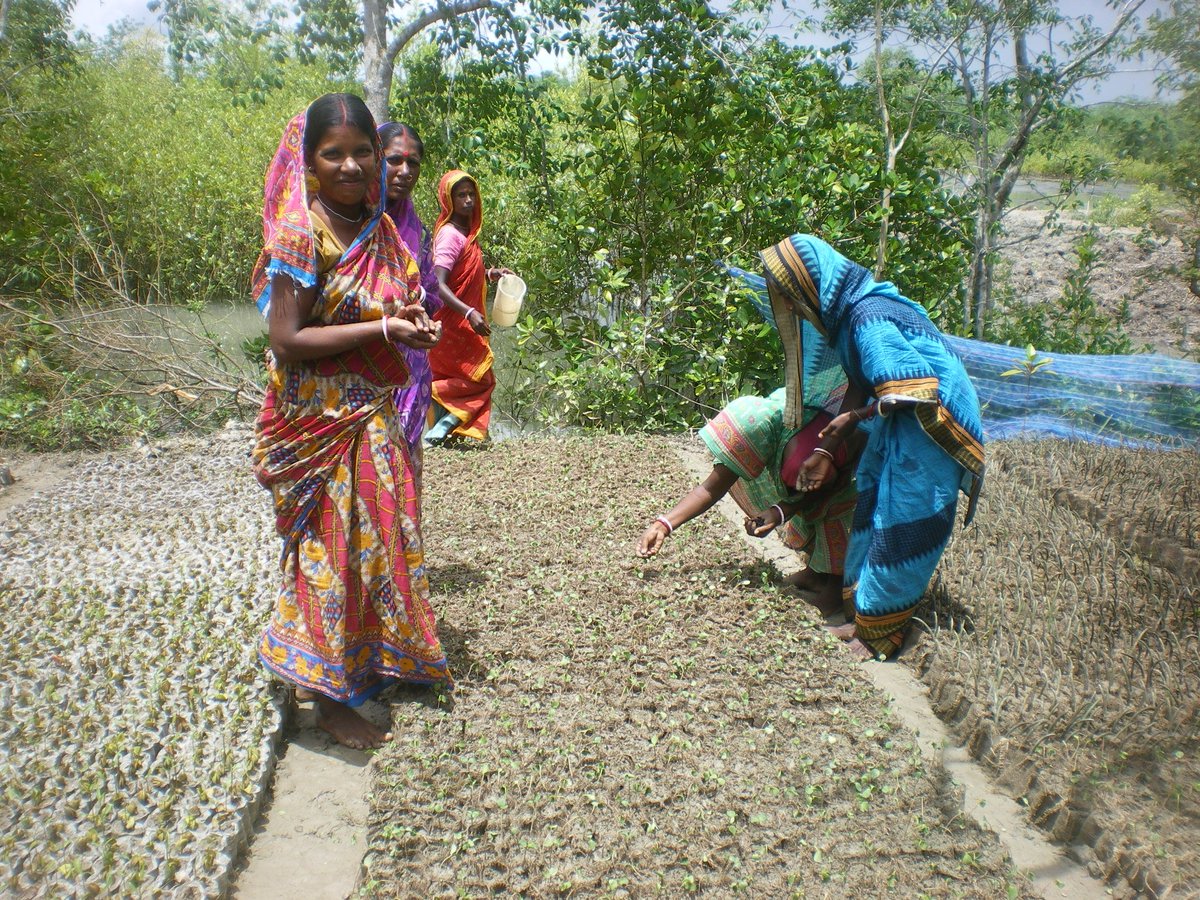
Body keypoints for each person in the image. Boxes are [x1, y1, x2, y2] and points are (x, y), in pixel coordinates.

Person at [250, 93, 452, 750]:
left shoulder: (381, 230)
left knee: (378, 545)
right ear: (309, 161)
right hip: (319, 420)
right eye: (332, 153)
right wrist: (384, 325)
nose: (350, 164)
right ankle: (322, 696)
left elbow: (393, 305)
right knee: (330, 554)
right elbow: (286, 338)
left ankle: (369, 666)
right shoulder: (302, 233)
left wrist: (410, 327)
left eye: (361, 151)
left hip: (371, 413)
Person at [746, 233, 985, 660]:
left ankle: (878, 633)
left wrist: (855, 419)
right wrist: (826, 447)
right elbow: (862, 379)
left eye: (795, 297)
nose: (797, 307)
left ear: (812, 286)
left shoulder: (867, 315)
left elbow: (914, 388)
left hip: (933, 423)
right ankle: (860, 612)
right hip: (901, 420)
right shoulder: (850, 316)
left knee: (906, 520)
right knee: (872, 507)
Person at [637, 385, 862, 615]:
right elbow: (710, 489)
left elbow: (834, 485)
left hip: (850, 474)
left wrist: (781, 511)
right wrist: (662, 525)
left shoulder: (800, 460)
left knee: (832, 512)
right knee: (797, 492)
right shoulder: (770, 417)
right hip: (816, 465)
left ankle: (834, 590)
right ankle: (815, 574)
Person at [425, 170, 514, 445]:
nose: (468, 200)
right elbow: (437, 283)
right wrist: (468, 312)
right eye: (460, 195)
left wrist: (490, 275)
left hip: (463, 320)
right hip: (453, 323)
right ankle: (445, 425)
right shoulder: (450, 236)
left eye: (470, 193)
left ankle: (441, 432)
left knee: (465, 376)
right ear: (447, 201)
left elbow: (464, 273)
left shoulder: (467, 235)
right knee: (480, 378)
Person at [377, 121, 439, 473]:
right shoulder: (353, 225)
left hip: (409, 367)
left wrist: (422, 314)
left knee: (404, 465)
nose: (404, 171)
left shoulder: (418, 232)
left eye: (412, 163)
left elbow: (429, 289)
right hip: (361, 370)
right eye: (394, 160)